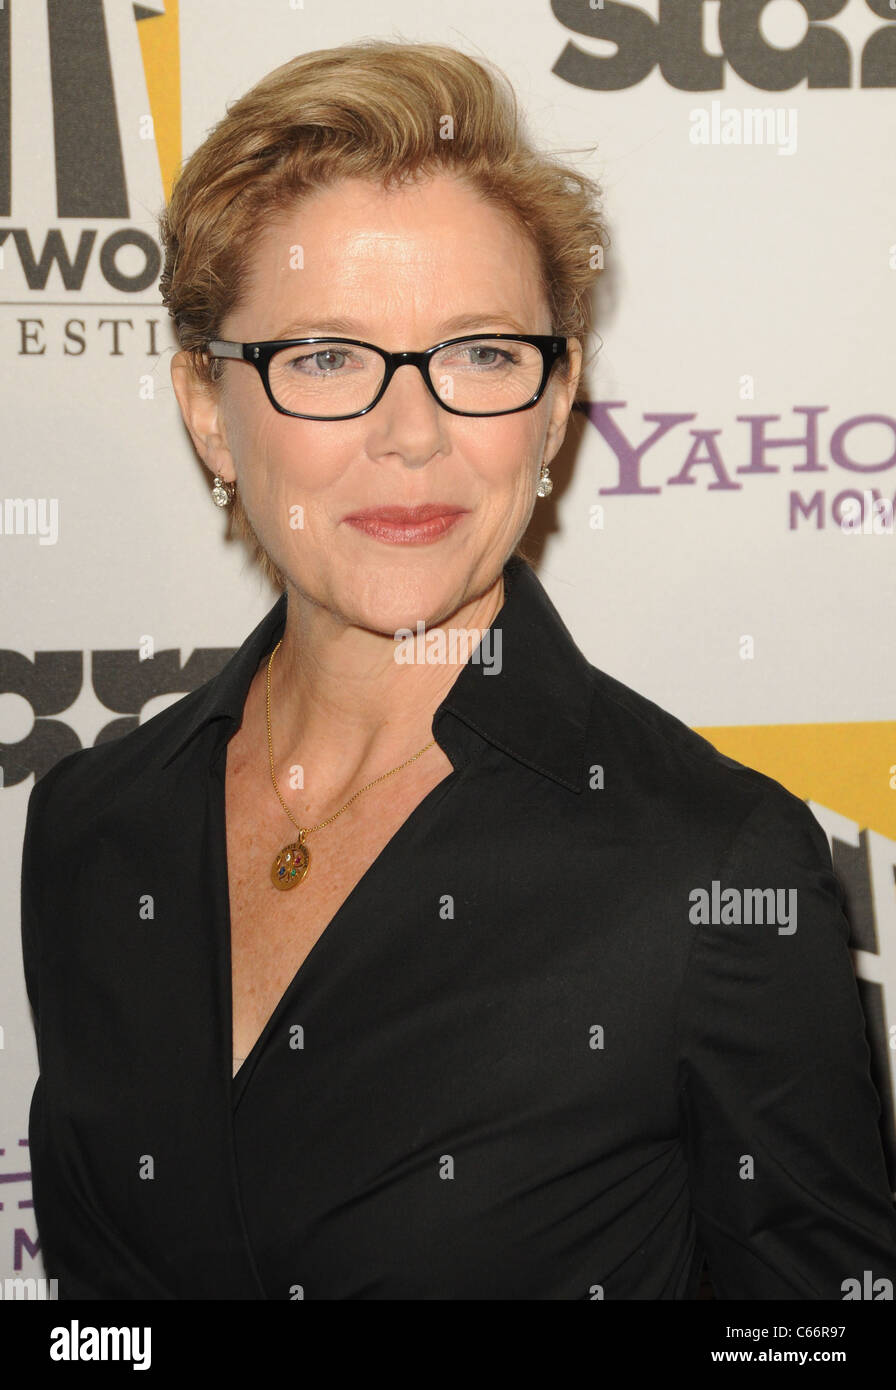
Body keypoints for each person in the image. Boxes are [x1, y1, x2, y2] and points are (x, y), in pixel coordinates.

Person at [20, 39, 896, 1300]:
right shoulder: (93, 824)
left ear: (551, 405)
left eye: (480, 353)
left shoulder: (708, 866)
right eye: (324, 356)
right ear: (210, 408)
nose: (413, 431)